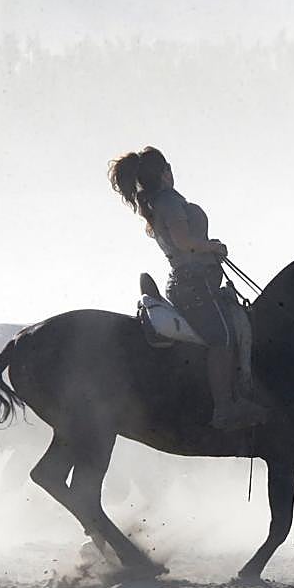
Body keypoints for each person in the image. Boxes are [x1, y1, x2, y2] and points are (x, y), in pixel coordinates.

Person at [109, 146, 268, 429]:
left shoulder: (159, 203)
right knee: (223, 337)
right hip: (195, 285)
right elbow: (183, 242)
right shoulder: (169, 201)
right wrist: (213, 246)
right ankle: (225, 408)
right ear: (165, 172)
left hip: (192, 282)